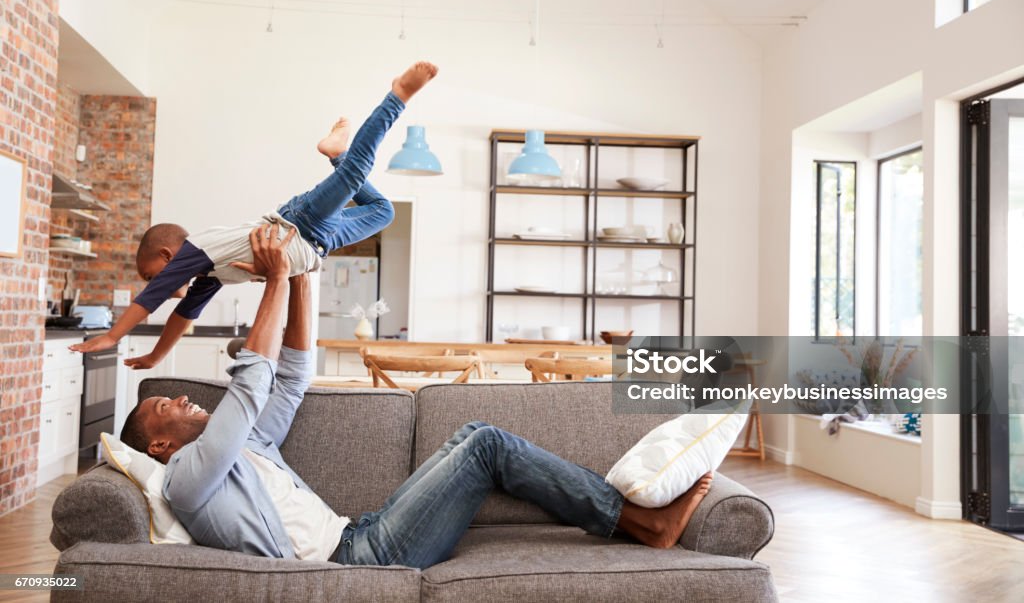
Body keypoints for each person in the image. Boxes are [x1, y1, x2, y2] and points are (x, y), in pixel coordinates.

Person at [118, 223, 715, 568]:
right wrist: (273, 278)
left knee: (468, 436)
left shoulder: (244, 443)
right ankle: (640, 524)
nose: (180, 398)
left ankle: (633, 519)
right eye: (163, 407)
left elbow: (293, 374)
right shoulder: (187, 478)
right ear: (163, 445)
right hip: (354, 563)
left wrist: (301, 278)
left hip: (361, 531)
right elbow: (250, 385)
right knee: (484, 443)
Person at [70, 61, 438, 369]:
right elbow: (184, 315)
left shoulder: (197, 252)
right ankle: (336, 152)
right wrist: (155, 355)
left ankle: (398, 95)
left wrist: (113, 335)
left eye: (153, 274)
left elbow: (152, 295)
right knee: (382, 211)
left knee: (355, 173)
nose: (160, 286)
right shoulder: (210, 274)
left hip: (303, 223)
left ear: (168, 256)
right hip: (318, 243)